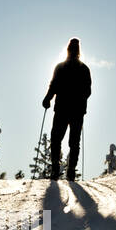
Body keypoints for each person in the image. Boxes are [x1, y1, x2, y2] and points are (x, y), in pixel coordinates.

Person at [41, 38, 91, 181]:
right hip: (77, 110)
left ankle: (56, 169)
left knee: (56, 138)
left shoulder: (60, 67)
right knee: (74, 142)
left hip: (62, 108)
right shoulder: (84, 69)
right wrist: (79, 98)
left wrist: (47, 99)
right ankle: (70, 171)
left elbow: (53, 86)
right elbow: (88, 91)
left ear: (68, 50)